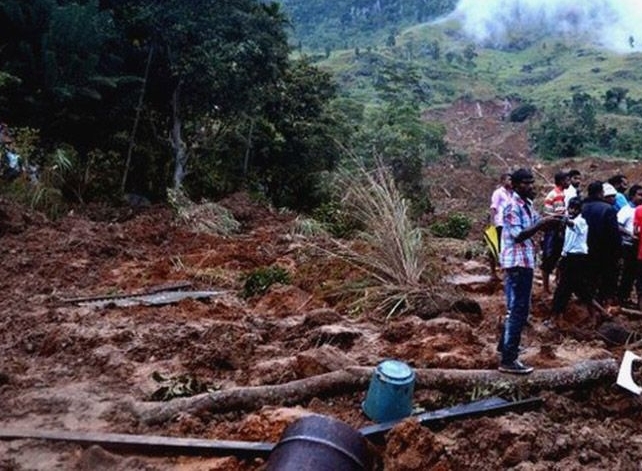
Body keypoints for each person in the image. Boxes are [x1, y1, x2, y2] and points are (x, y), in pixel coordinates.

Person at [497, 168, 561, 374]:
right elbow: (518, 235)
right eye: (526, 183)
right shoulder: (511, 207)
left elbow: (534, 225)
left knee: (516, 308)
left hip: (523, 262)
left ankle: (505, 347)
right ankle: (509, 359)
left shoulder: (527, 205)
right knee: (519, 310)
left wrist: (553, 221)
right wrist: (543, 223)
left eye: (532, 182)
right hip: (516, 264)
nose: (531, 186)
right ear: (514, 186)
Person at [548, 197, 597, 327]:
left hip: (577, 259)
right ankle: (595, 314)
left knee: (564, 289)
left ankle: (555, 317)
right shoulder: (569, 222)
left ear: (580, 210)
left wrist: (561, 219)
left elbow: (572, 224)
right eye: (571, 208)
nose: (572, 211)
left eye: (575, 209)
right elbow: (566, 242)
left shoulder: (581, 222)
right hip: (569, 258)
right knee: (579, 289)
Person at [582, 181, 621, 307]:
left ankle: (587, 303)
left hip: (583, 250)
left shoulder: (581, 206)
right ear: (601, 193)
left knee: (588, 279)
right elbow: (614, 235)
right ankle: (604, 304)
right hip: (604, 251)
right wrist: (618, 253)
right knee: (607, 279)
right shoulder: (608, 209)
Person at [541, 171, 569, 293]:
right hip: (554, 229)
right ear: (562, 181)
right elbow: (559, 215)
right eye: (567, 180)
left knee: (551, 256)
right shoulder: (558, 195)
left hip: (551, 228)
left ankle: (547, 286)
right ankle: (546, 288)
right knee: (551, 256)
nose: (569, 182)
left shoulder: (557, 193)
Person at [617, 184, 642, 306]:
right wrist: (630, 234)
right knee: (628, 273)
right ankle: (623, 297)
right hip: (629, 245)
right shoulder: (626, 210)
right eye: (639, 195)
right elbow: (618, 225)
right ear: (632, 196)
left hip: (639, 245)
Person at [489, 173, 513, 278]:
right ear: (503, 181)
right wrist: (492, 223)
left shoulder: (512, 194)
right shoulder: (498, 193)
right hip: (500, 223)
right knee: (495, 246)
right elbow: (493, 207)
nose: (510, 182)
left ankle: (505, 271)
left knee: (507, 247)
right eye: (508, 180)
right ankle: (493, 271)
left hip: (510, 224)